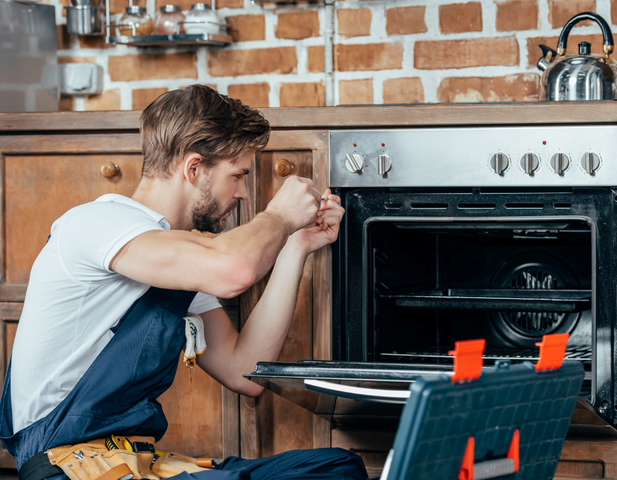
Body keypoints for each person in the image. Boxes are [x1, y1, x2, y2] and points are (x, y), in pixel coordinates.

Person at [0, 85, 367, 480]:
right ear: (194, 169)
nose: (243, 193)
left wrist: (296, 247)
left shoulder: (182, 260)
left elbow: (244, 370)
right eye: (238, 175)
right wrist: (279, 217)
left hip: (133, 462)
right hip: (68, 466)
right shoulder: (97, 224)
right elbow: (235, 271)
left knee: (337, 466)